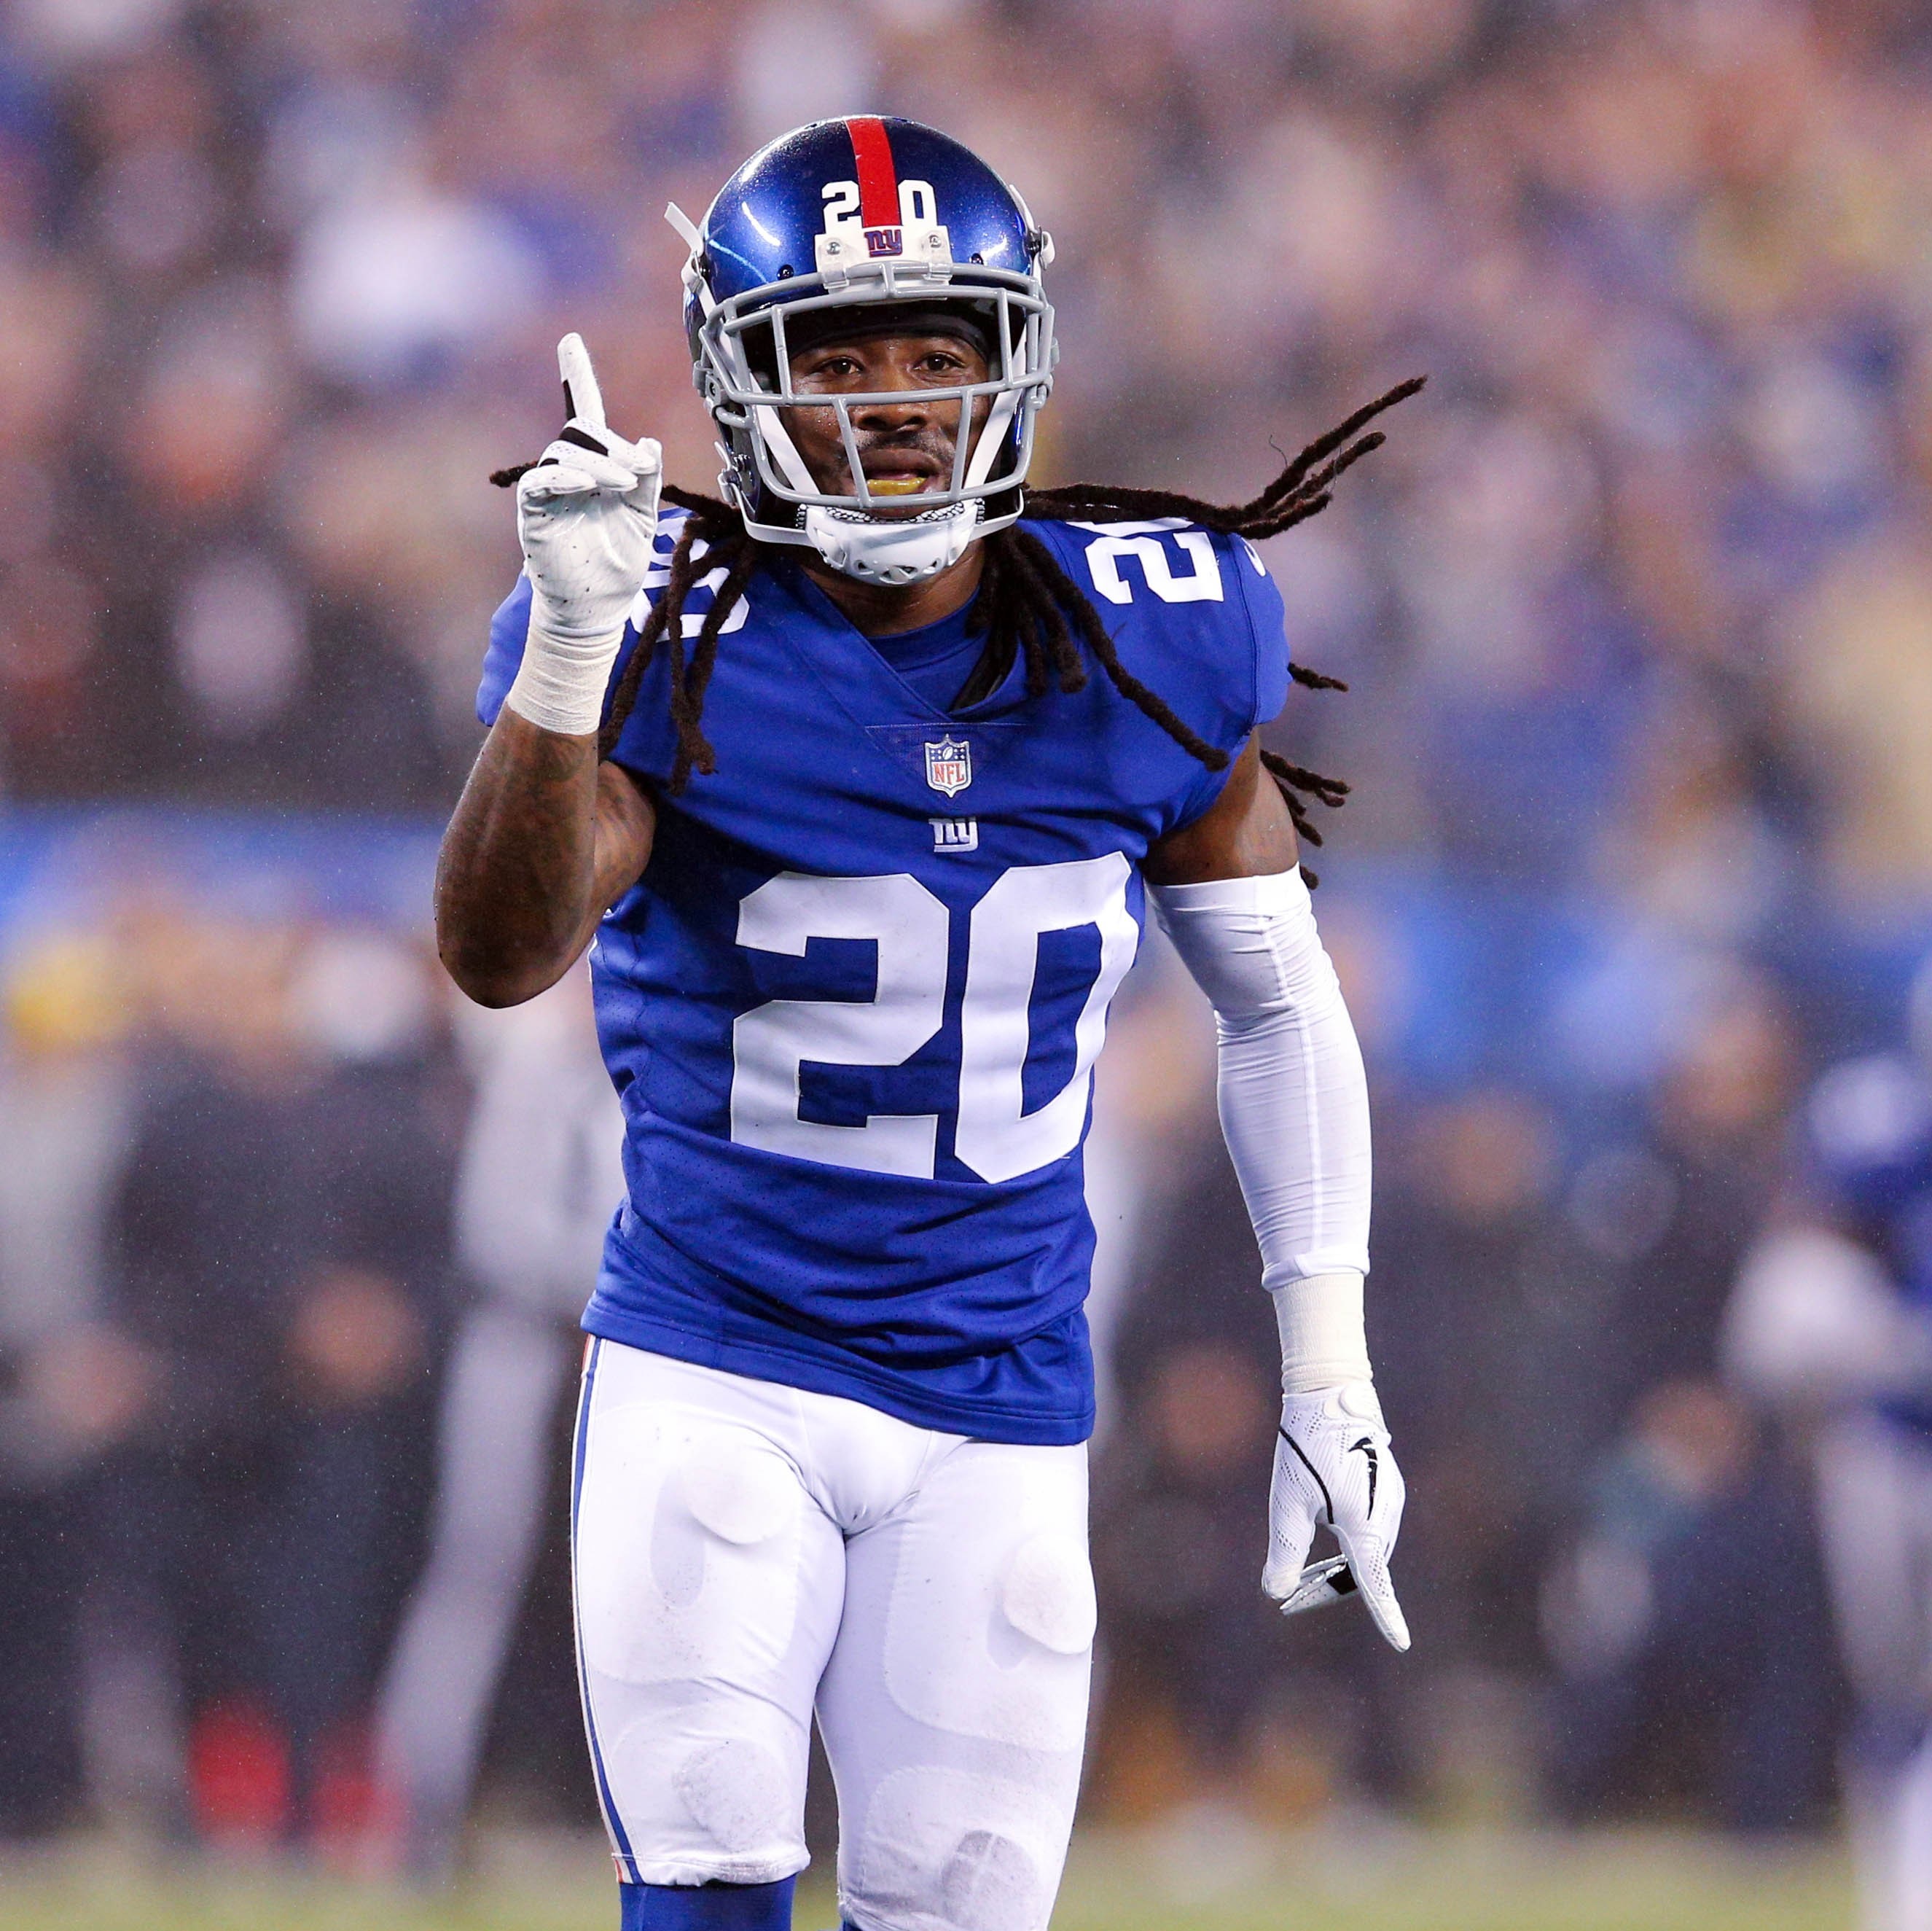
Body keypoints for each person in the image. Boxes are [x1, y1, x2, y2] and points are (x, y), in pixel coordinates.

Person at [434, 116, 1414, 1931]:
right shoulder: (662, 626)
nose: (894, 400)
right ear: (742, 387)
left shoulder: (1150, 630)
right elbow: (501, 953)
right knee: (709, 1884)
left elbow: (1279, 1006)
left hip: (1002, 1401)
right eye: (836, 358)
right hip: (720, 1362)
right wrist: (567, 654)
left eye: (936, 348)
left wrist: (1329, 1361)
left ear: (1019, 360)